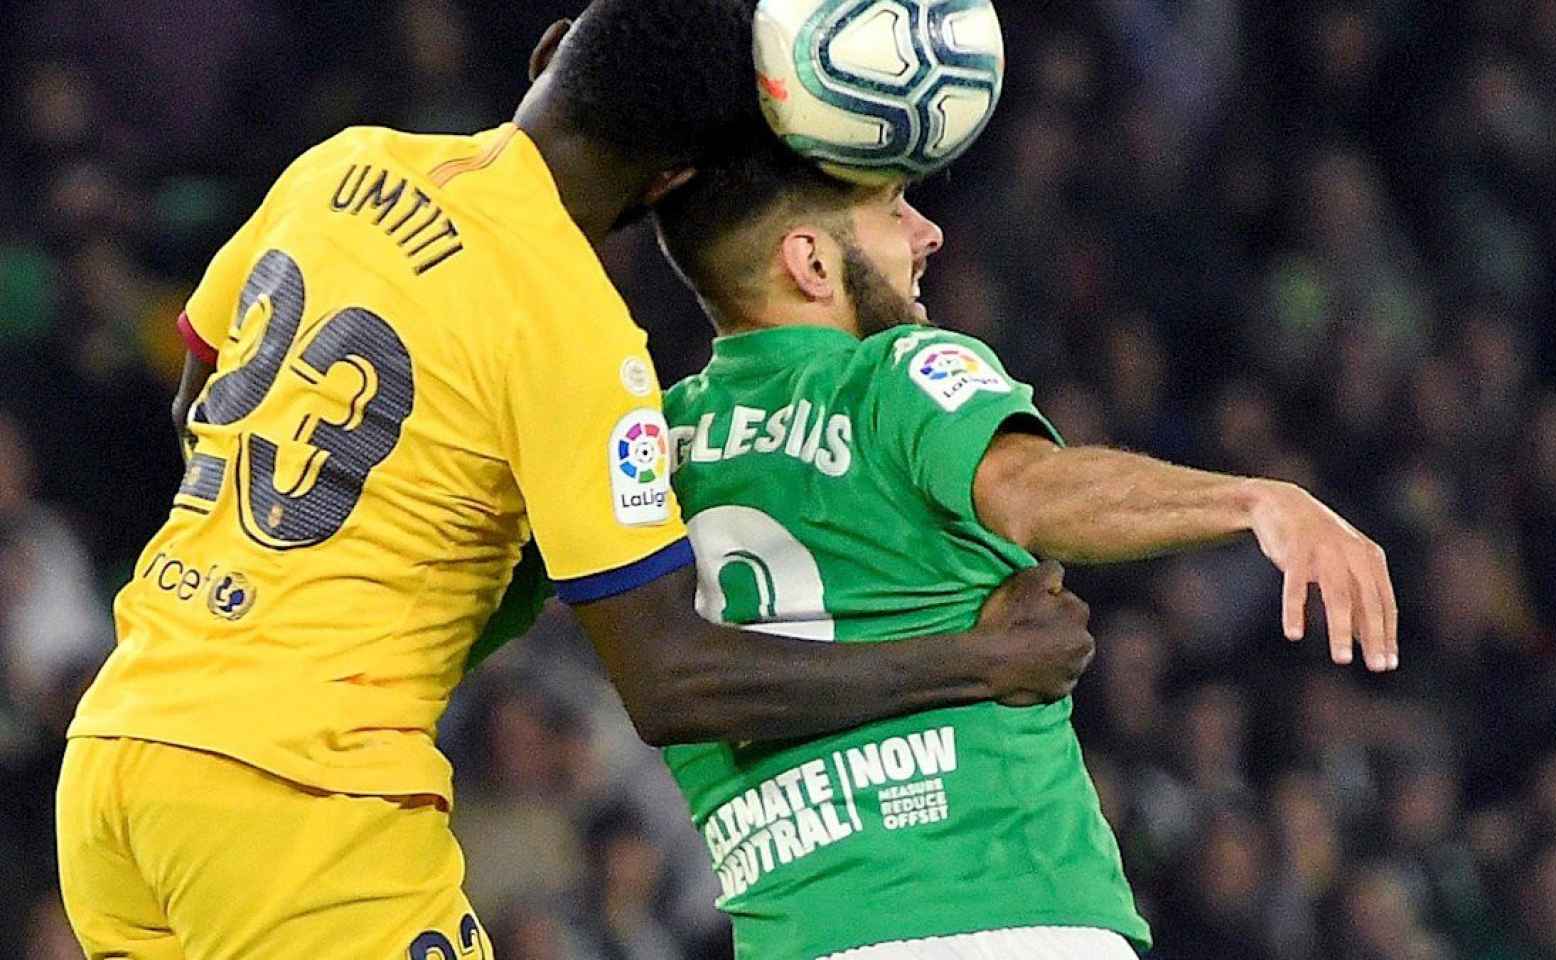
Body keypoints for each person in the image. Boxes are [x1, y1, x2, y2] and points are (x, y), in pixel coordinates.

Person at [54, 5, 1097, 958]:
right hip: (298, 791)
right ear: (671, 182)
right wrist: (976, 662)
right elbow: (670, 678)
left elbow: (201, 385)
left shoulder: (344, 165)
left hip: (119, 750)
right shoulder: (575, 336)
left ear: (551, 48)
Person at [646, 140, 1400, 958]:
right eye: (895, 211)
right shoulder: (893, 373)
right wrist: (1253, 500)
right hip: (1008, 912)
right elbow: (1030, 490)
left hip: (799, 934)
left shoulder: (648, 444)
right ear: (812, 264)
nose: (929, 233)